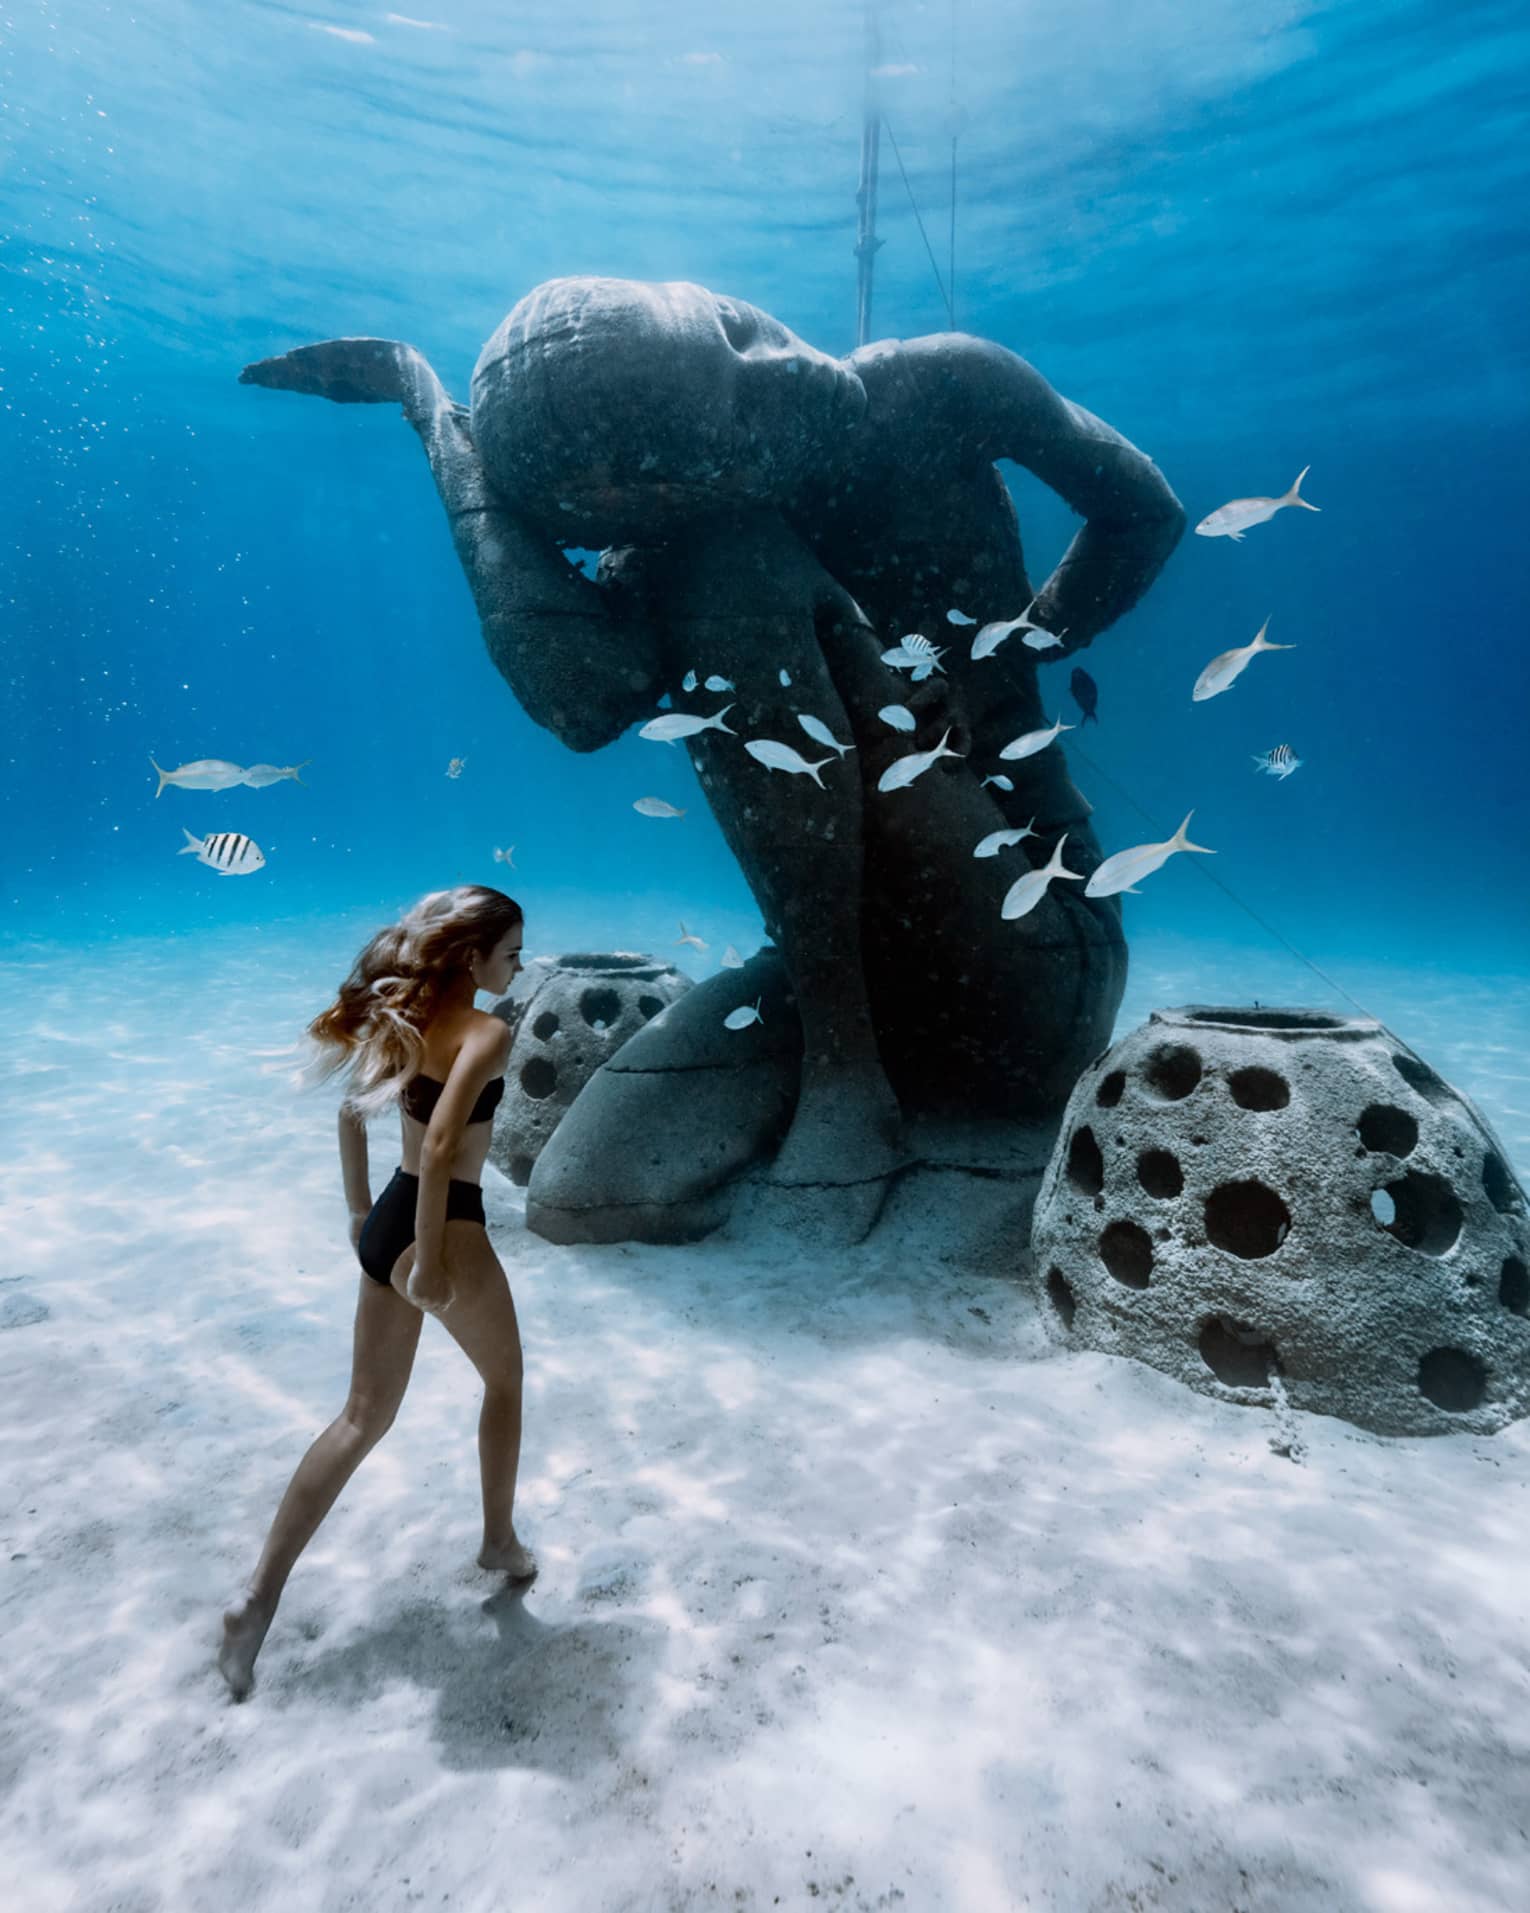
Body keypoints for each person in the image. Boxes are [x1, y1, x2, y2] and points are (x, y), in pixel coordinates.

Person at [218, 885, 535, 1701]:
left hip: (386, 1218)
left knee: (361, 1417)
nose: (521, 966)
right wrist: (430, 1261)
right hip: (444, 1229)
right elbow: (438, 1150)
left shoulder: (407, 1018)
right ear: (472, 957)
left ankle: (255, 1602)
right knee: (504, 1382)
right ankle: (498, 1540)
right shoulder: (488, 1032)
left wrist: (361, 1213)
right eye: (511, 953)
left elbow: (352, 1115)